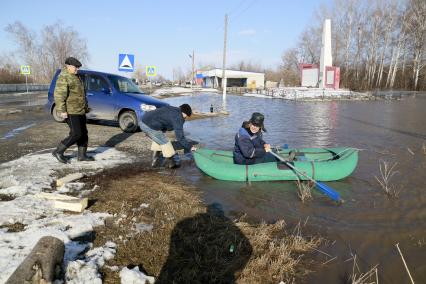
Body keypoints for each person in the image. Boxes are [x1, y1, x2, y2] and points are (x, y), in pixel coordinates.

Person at [52, 57, 94, 163]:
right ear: (68, 66)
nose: (77, 69)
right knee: (76, 133)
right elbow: (59, 95)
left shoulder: (76, 76)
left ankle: (82, 156)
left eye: (78, 68)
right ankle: (58, 151)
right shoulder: (64, 77)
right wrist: (62, 110)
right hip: (71, 111)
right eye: (76, 67)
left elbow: (81, 94)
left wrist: (85, 107)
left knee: (84, 133)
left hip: (80, 110)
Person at [139, 103, 197, 169]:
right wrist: (190, 147)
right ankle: (172, 164)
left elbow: (165, 122)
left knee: (159, 139)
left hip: (143, 121)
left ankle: (154, 162)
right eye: (186, 116)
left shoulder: (173, 109)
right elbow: (180, 137)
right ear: (184, 112)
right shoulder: (178, 117)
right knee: (166, 144)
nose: (185, 118)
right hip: (149, 125)